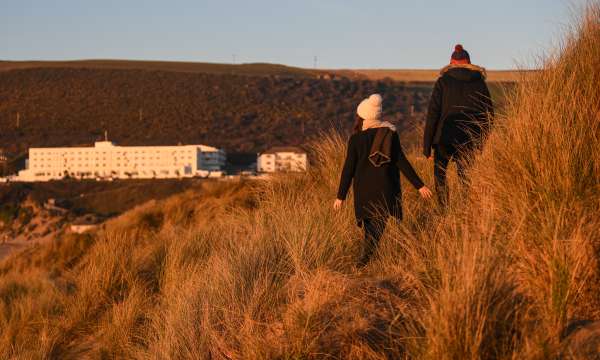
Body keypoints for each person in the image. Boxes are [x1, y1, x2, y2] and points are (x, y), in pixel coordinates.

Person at [334, 94, 432, 266]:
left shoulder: (356, 139)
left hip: (363, 193)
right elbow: (401, 161)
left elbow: (348, 169)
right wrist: (419, 185)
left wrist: (341, 196)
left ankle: (364, 263)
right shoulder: (389, 134)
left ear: (362, 116)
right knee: (375, 231)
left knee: (371, 231)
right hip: (385, 190)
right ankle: (364, 263)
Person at [423, 44, 494, 207]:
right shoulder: (479, 82)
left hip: (444, 137)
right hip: (469, 139)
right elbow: (489, 115)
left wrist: (427, 146)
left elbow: (433, 113)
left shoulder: (443, 82)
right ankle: (465, 210)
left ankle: (444, 210)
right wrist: (481, 142)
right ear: (469, 62)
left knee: (440, 175)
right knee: (465, 177)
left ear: (451, 62)